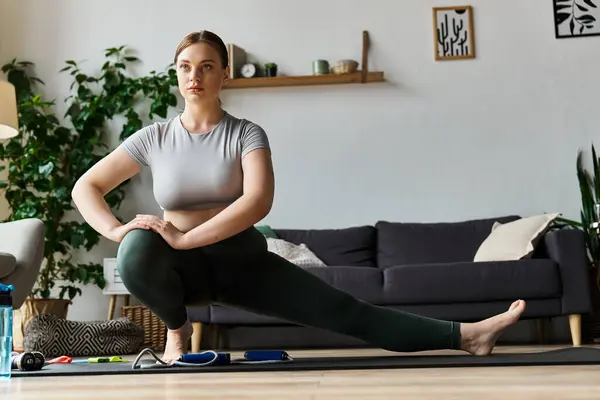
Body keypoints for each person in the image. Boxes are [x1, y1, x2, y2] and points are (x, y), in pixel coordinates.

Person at [71, 30, 526, 362]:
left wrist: (187, 238)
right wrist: (117, 227)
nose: (196, 76)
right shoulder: (153, 137)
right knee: (135, 249)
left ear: (224, 74)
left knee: (346, 312)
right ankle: (176, 329)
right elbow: (85, 187)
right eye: (186, 67)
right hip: (178, 266)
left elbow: (258, 202)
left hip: (238, 259)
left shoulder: (246, 133)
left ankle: (467, 335)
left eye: (207, 66)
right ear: (176, 74)